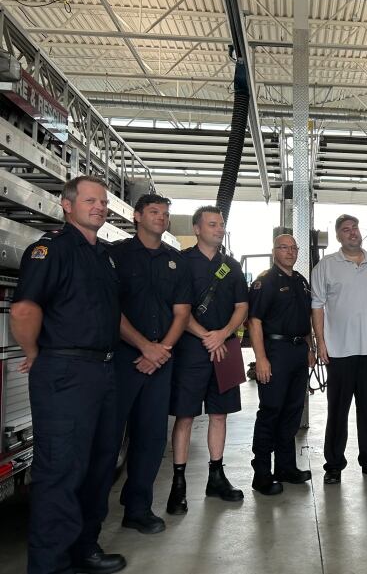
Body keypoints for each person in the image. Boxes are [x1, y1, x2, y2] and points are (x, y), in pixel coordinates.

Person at [10, 176, 126, 574]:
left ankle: (84, 549)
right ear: (67, 204)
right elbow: (25, 310)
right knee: (61, 471)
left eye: (103, 201)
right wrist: (34, 352)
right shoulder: (50, 249)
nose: (99, 207)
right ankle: (50, 565)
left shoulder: (104, 255)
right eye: (90, 200)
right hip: (65, 372)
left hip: (105, 370)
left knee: (99, 465)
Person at [108, 194, 192, 534]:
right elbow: (110, 310)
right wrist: (145, 347)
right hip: (122, 359)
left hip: (161, 359)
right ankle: (90, 517)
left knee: (152, 437)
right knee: (108, 439)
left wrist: (162, 350)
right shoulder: (115, 256)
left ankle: (138, 508)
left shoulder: (176, 261)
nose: (161, 217)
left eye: (165, 213)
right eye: (154, 212)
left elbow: (182, 312)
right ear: (137, 215)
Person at [166, 206, 248, 514]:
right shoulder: (182, 263)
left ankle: (216, 477)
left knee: (220, 414)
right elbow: (179, 310)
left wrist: (224, 332)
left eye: (221, 224)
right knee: (185, 417)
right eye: (212, 224)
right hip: (191, 350)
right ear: (197, 228)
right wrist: (206, 336)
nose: (219, 228)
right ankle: (178, 484)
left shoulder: (231, 265)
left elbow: (242, 306)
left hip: (224, 349)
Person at [311, 214, 367, 484]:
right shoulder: (326, 266)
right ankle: (333, 465)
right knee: (338, 410)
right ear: (338, 236)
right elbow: (317, 305)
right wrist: (321, 342)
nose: (352, 233)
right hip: (339, 350)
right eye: (346, 230)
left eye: (355, 228)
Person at [247, 234, 315, 495]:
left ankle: (286, 467)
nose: (289, 252)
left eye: (293, 248)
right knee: (271, 411)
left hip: (298, 351)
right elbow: (255, 322)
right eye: (283, 248)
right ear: (274, 251)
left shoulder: (300, 281)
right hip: (275, 351)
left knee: (292, 412)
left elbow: (305, 317)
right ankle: (262, 473)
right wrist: (261, 358)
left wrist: (310, 347)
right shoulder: (266, 281)